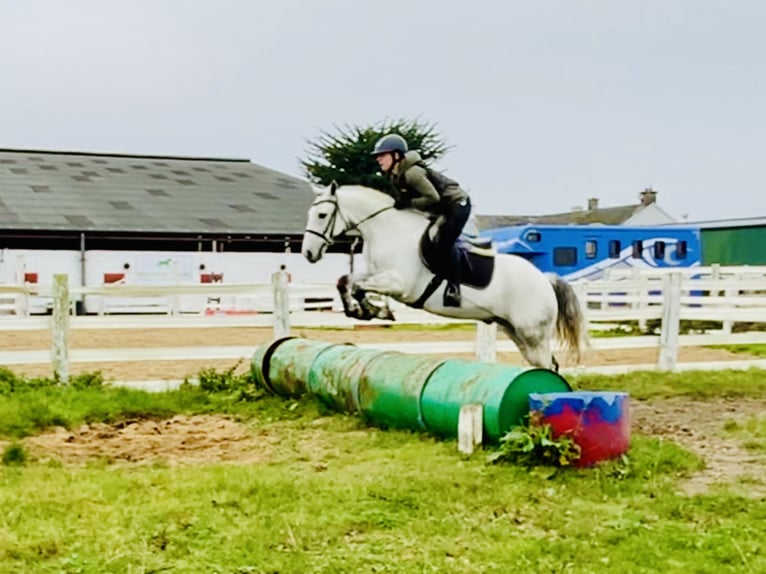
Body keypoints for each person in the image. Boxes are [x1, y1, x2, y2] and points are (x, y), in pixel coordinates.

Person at [371, 133, 471, 307]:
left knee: (443, 242)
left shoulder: (412, 173)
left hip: (457, 205)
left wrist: (408, 203)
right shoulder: (395, 175)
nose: (379, 159)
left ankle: (454, 288)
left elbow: (433, 198)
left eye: (382, 155)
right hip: (441, 208)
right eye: (378, 156)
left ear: (396, 155)